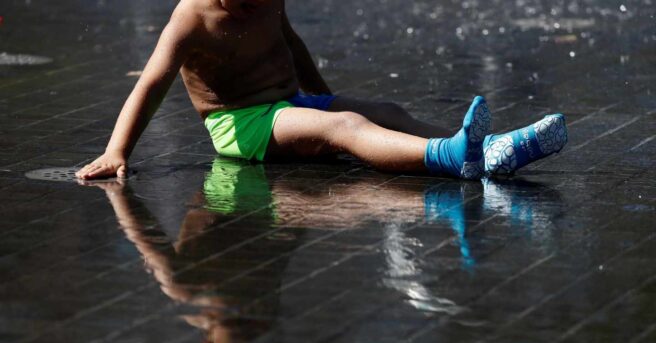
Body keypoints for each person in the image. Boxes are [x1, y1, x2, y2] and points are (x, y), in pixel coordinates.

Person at [75, 0, 568, 181]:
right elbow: (151, 86)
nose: (255, 5)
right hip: (242, 124)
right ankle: (447, 156)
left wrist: (328, 100)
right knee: (347, 126)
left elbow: (292, 46)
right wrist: (117, 150)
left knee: (380, 109)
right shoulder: (190, 18)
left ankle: (488, 149)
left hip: (289, 105)